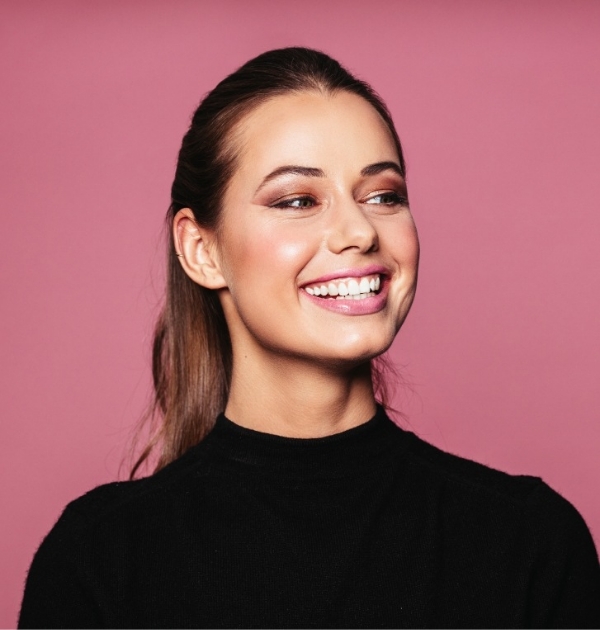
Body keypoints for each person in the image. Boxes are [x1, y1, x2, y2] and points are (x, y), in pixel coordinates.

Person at [19, 47, 600, 628]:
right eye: (298, 200)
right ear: (202, 249)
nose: (358, 231)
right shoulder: (99, 561)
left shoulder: (529, 543)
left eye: (383, 195)